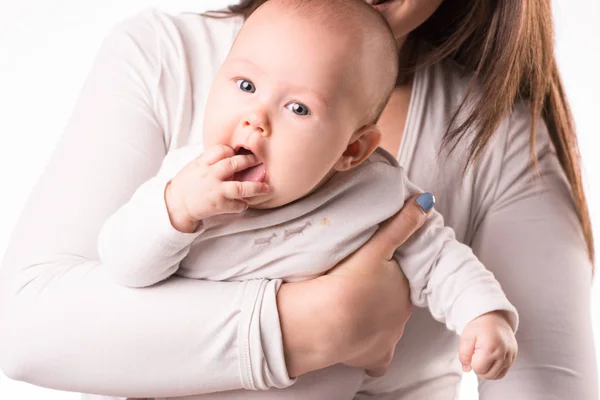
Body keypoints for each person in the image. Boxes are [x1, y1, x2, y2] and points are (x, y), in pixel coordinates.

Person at [0, 0, 595, 398]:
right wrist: (324, 323)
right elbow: (26, 326)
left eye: (300, 109)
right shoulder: (178, 113)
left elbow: (541, 378)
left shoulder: (457, 154)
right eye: (245, 86)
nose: (254, 121)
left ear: (358, 150)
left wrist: (486, 317)